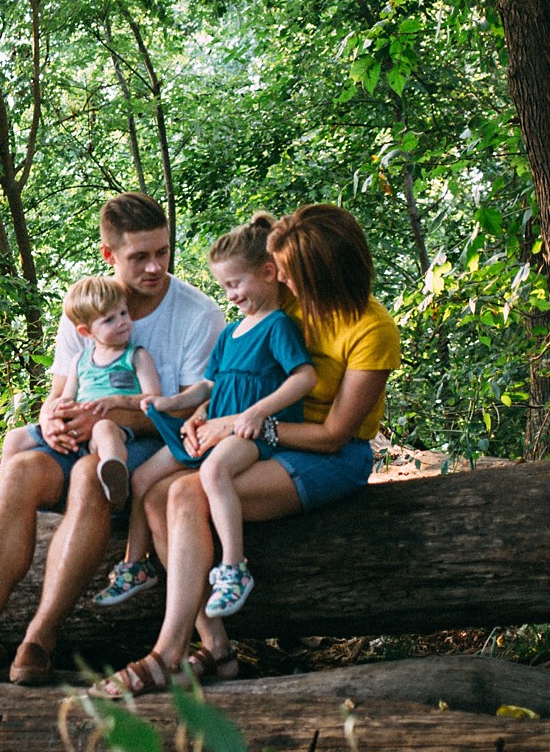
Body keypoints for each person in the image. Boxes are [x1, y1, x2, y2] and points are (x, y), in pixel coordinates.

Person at [95, 203, 400, 697]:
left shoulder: (371, 329)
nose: (278, 277)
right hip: (259, 437)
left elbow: (334, 434)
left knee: (186, 494)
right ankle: (214, 647)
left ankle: (167, 654)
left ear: (318, 273)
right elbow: (235, 374)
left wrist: (239, 426)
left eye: (289, 271)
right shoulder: (287, 304)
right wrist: (202, 419)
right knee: (155, 495)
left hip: (327, 455)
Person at [0, 191, 225, 686]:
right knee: (21, 468)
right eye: (140, 257)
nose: (156, 267)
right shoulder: (87, 306)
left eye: (163, 252)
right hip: (79, 437)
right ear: (110, 255)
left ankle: (37, 641)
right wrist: (51, 417)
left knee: (91, 474)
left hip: (149, 446)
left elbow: (194, 412)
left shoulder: (198, 315)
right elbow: (61, 386)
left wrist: (115, 421)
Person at [131, 212, 316, 618]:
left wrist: (257, 412)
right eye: (224, 286)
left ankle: (233, 568)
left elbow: (304, 376)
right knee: (143, 476)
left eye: (235, 284)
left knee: (214, 472)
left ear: (269, 273)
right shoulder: (231, 333)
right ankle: (135, 563)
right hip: (214, 427)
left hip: (248, 435)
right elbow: (207, 387)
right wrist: (169, 404)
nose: (229, 294)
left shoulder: (278, 326)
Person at [53, 275, 163, 511]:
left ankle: (115, 475)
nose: (122, 322)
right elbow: (67, 395)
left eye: (123, 313)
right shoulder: (80, 361)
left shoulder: (135, 356)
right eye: (110, 319)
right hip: (79, 430)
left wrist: (117, 401)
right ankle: (0, 497)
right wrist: (57, 412)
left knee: (104, 428)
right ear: (86, 332)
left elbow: (153, 398)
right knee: (17, 437)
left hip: (116, 427)